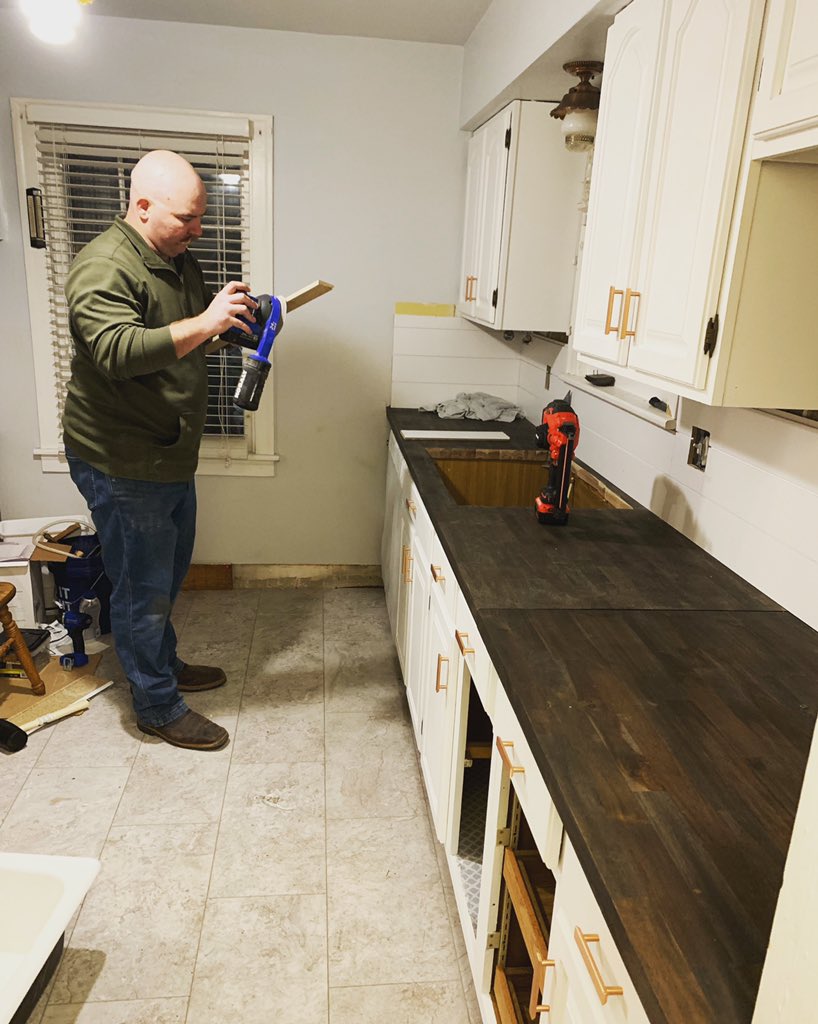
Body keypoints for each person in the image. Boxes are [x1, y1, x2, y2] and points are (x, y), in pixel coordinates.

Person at [63, 149, 257, 751]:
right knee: (139, 588)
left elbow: (181, 341)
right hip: (123, 460)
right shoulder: (103, 267)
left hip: (166, 453)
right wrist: (206, 323)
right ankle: (154, 704)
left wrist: (235, 326)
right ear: (141, 207)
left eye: (200, 218)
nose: (198, 229)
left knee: (164, 578)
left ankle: (162, 666)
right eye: (186, 218)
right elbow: (119, 351)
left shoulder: (176, 259)